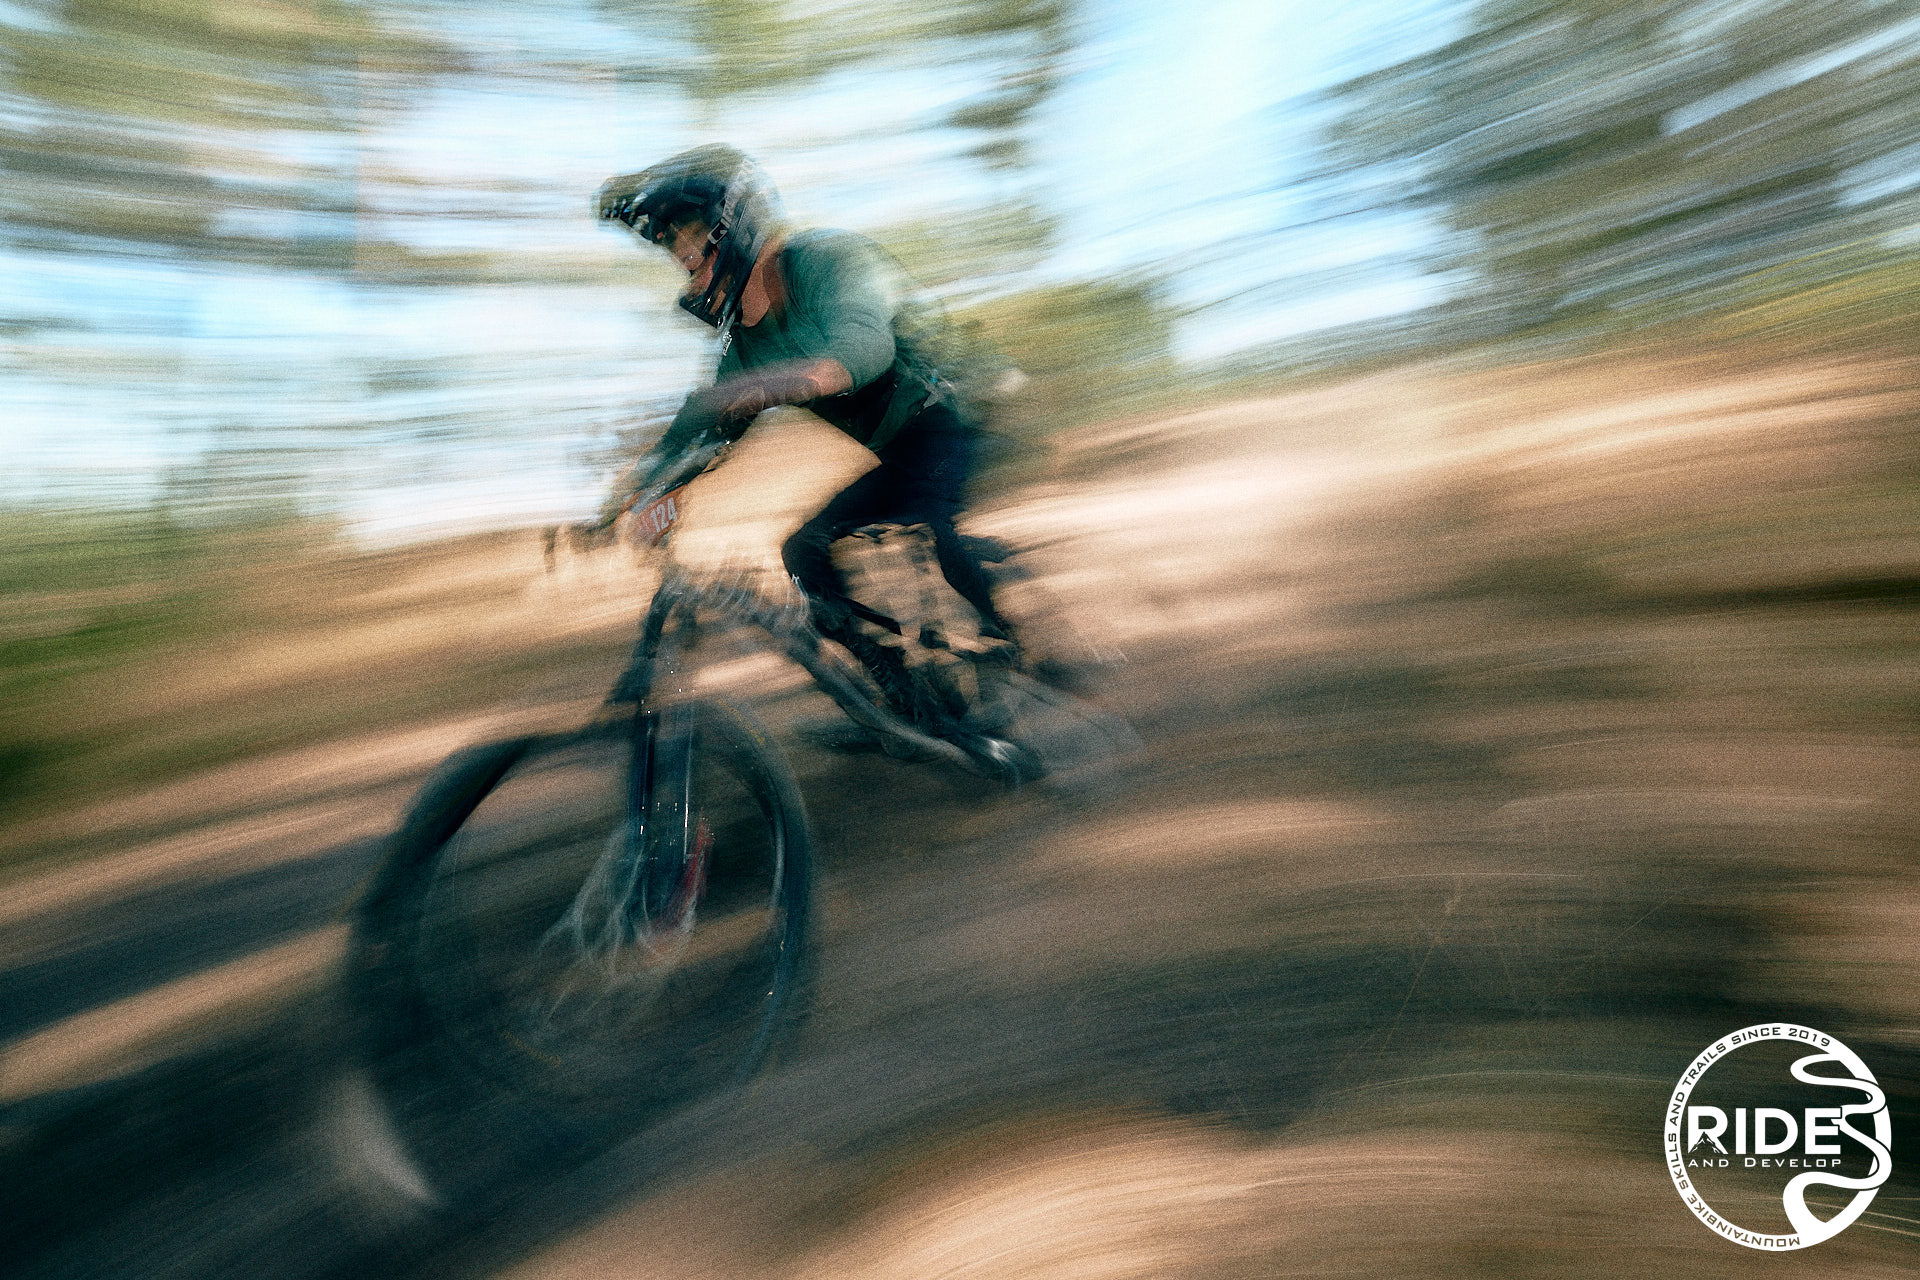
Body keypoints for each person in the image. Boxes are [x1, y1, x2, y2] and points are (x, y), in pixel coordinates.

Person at [595, 145, 1017, 706]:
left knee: (937, 524)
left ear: (733, 224)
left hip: (939, 424)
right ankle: (900, 688)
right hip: (889, 454)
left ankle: (1008, 644)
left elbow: (864, 347)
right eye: (671, 245)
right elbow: (704, 425)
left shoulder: (827, 261)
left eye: (689, 234)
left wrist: (775, 385)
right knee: (802, 554)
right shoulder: (745, 346)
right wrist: (639, 496)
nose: (682, 256)